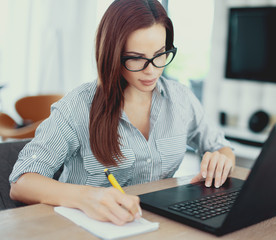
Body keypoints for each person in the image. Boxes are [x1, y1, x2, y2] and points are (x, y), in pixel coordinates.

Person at [9, 0, 235, 226]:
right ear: (113, 54)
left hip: (156, 226)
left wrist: (221, 159)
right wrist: (87, 197)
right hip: (86, 229)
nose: (152, 70)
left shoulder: (181, 99)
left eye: (160, 54)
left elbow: (221, 147)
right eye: (136, 58)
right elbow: (22, 182)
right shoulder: (78, 106)